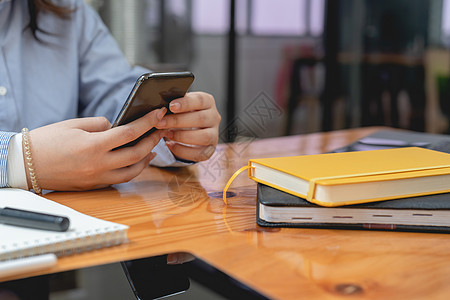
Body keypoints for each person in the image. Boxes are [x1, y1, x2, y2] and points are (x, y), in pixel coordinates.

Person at [0, 0, 221, 192]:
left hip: (74, 214)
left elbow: (114, 92)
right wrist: (17, 160)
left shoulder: (67, 11)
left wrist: (173, 125)